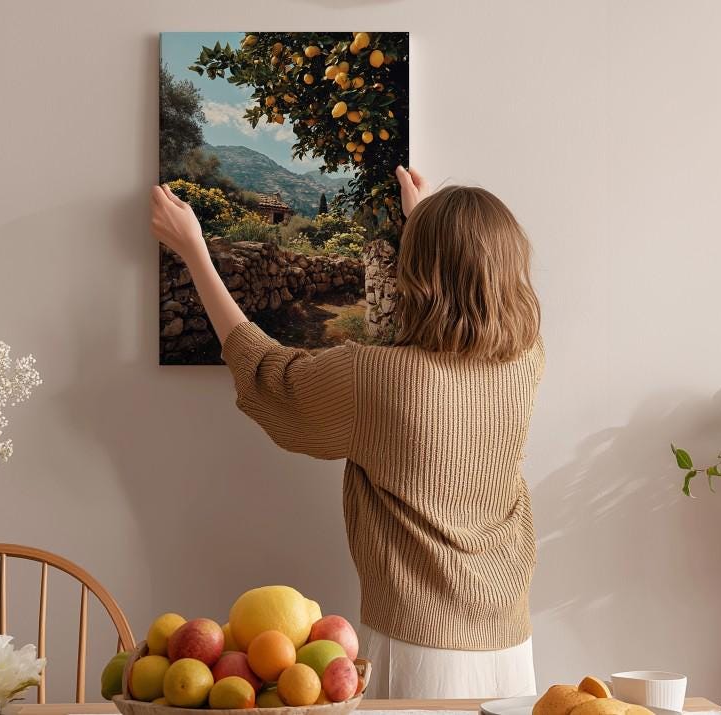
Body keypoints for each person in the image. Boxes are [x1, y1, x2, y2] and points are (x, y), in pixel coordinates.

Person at [150, 166, 544, 699]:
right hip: (511, 644)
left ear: (417, 270)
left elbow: (268, 373)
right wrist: (425, 223)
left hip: (418, 646)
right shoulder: (526, 360)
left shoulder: (376, 377)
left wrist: (194, 249)